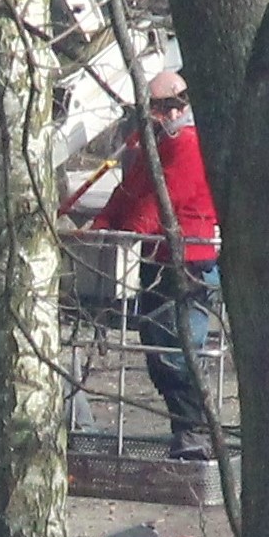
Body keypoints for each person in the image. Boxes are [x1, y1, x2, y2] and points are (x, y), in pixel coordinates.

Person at [90, 68, 222, 460]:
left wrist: (126, 231)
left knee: (176, 348)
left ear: (169, 109)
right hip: (157, 260)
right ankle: (186, 431)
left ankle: (194, 431)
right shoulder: (160, 147)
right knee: (158, 347)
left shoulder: (187, 146)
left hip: (185, 265)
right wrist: (103, 224)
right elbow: (132, 189)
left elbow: (161, 198)